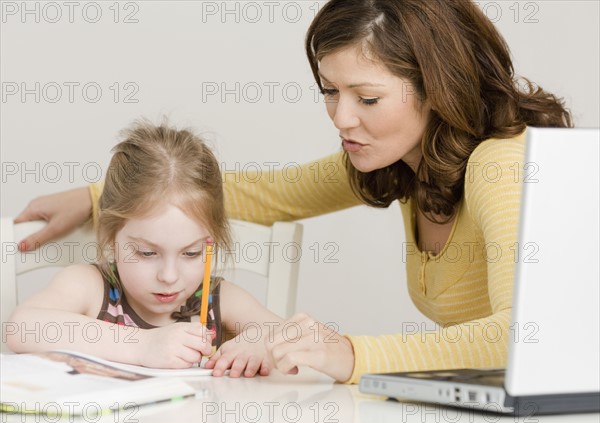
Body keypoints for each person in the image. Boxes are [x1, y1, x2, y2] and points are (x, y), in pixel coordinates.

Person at [14, 0, 572, 384]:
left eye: (367, 99)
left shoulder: (503, 164)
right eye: (330, 91)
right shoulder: (401, 163)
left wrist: (348, 353)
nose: (342, 118)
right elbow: (270, 193)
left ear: (439, 88)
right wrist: (101, 195)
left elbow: (528, 338)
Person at [8, 119, 283, 378]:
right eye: (147, 253)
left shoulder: (217, 298)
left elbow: (287, 333)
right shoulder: (90, 286)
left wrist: (259, 341)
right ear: (111, 237)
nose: (169, 276)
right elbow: (21, 327)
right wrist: (143, 345)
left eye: (191, 253)